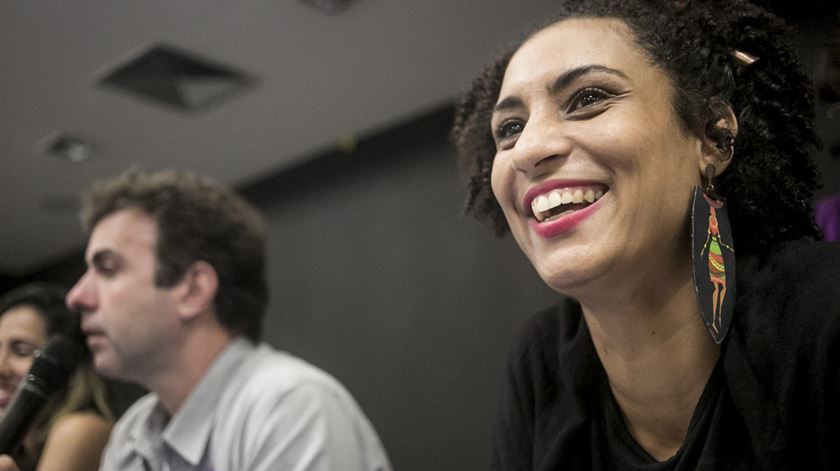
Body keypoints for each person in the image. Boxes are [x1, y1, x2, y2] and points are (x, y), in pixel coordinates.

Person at [452, 0, 840, 469]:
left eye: (587, 98)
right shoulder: (540, 369)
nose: (528, 149)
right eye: (510, 129)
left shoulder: (821, 315)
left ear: (713, 138)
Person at [53, 169, 390, 471]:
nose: (77, 296)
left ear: (193, 290)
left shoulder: (290, 406)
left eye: (108, 268)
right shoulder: (134, 433)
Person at [0, 283, 112, 471]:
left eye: (21, 350)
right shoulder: (28, 447)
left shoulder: (79, 428)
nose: (1, 367)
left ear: (64, 361)